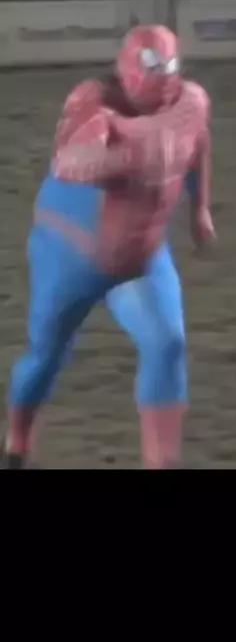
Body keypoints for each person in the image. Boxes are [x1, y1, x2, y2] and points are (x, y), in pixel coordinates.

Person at [1, 25, 215, 470]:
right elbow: (71, 161)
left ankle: (163, 464)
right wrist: (129, 157)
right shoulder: (94, 104)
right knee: (47, 355)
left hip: (139, 253)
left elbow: (197, 145)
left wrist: (200, 209)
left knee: (167, 344)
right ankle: (17, 442)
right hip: (71, 250)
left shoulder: (190, 103)